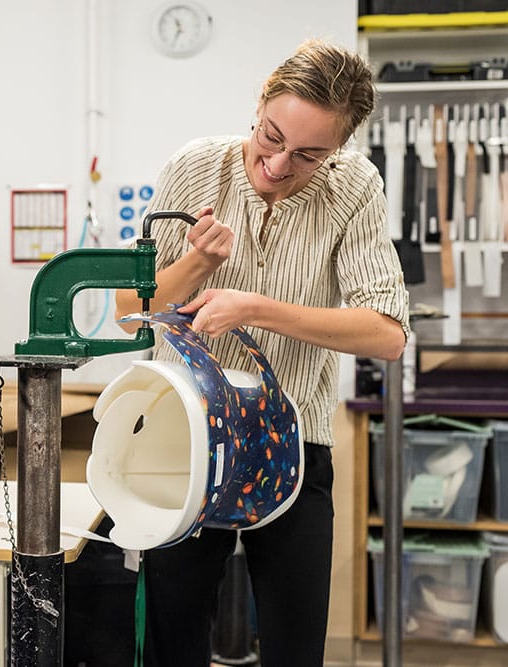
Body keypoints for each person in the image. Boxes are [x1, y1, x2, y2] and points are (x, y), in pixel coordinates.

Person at [114, 39, 408, 666]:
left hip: (294, 446)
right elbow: (127, 310)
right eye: (270, 137)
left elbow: (386, 333)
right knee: (173, 643)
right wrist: (197, 260)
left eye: (308, 155)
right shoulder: (195, 168)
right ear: (260, 103)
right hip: (183, 444)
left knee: (295, 649)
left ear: (341, 149)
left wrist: (252, 307)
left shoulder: (353, 189)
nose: (277, 165)